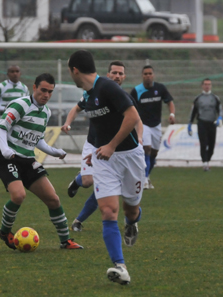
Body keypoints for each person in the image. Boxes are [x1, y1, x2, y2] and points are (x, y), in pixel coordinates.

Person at [68, 50, 145, 285]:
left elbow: (132, 116)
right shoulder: (88, 95)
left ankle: (132, 224)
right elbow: (101, 126)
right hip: (104, 160)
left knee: (130, 209)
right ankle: (120, 266)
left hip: (130, 156)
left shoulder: (108, 87)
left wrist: (111, 145)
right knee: (108, 211)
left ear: (74, 70)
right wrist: (97, 152)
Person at [0, 73, 83, 250]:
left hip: (28, 161)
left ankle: (65, 241)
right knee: (19, 195)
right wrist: (5, 150)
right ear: (34, 88)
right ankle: (5, 232)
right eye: (43, 90)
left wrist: (53, 151)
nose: (46, 95)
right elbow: (1, 128)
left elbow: (37, 140)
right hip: (9, 159)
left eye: (50, 92)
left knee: (53, 199)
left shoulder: (46, 112)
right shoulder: (20, 105)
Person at [63, 60, 143, 232]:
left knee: (107, 193)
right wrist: (68, 123)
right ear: (107, 74)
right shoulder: (91, 92)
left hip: (115, 149)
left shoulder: (120, 95)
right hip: (95, 144)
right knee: (87, 181)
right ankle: (77, 183)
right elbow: (76, 109)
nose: (117, 76)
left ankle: (79, 220)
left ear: (124, 77)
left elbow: (135, 118)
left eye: (120, 73)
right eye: (114, 73)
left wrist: (140, 138)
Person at [131, 65, 175, 190]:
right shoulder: (136, 90)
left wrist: (172, 114)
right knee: (147, 149)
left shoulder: (160, 88)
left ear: (153, 75)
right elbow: (130, 107)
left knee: (154, 154)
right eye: (145, 74)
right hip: (142, 124)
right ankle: (144, 180)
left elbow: (170, 102)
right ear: (142, 76)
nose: (148, 76)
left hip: (156, 125)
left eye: (150, 73)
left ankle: (146, 177)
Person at [0, 65, 30, 183]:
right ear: (7, 73)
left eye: (17, 71)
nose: (15, 74)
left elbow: (27, 105)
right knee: (5, 151)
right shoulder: (1, 87)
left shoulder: (24, 88)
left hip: (18, 124)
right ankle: (9, 176)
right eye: (12, 71)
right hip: (4, 123)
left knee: (15, 150)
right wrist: (3, 108)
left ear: (20, 73)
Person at [188, 78, 223, 171]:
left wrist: (220, 118)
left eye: (209, 84)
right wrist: (190, 124)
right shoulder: (198, 98)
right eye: (205, 84)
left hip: (212, 123)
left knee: (211, 144)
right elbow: (193, 112)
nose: (207, 86)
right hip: (201, 123)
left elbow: (220, 110)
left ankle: (208, 160)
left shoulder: (215, 98)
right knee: (203, 143)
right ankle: (205, 163)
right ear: (202, 86)